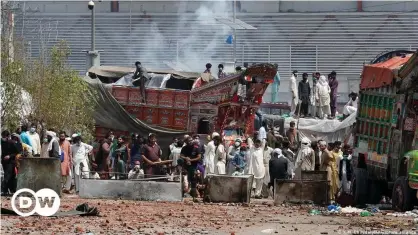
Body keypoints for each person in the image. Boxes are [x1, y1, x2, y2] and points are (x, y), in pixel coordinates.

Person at [1, 130, 18, 195]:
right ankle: (10, 190)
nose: (3, 138)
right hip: (4, 162)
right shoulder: (2, 142)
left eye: (4, 136)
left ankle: (5, 190)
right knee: (10, 176)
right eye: (3, 136)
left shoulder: (12, 143)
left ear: (8, 136)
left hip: (11, 162)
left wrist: (9, 156)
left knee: (8, 176)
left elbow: (17, 152)